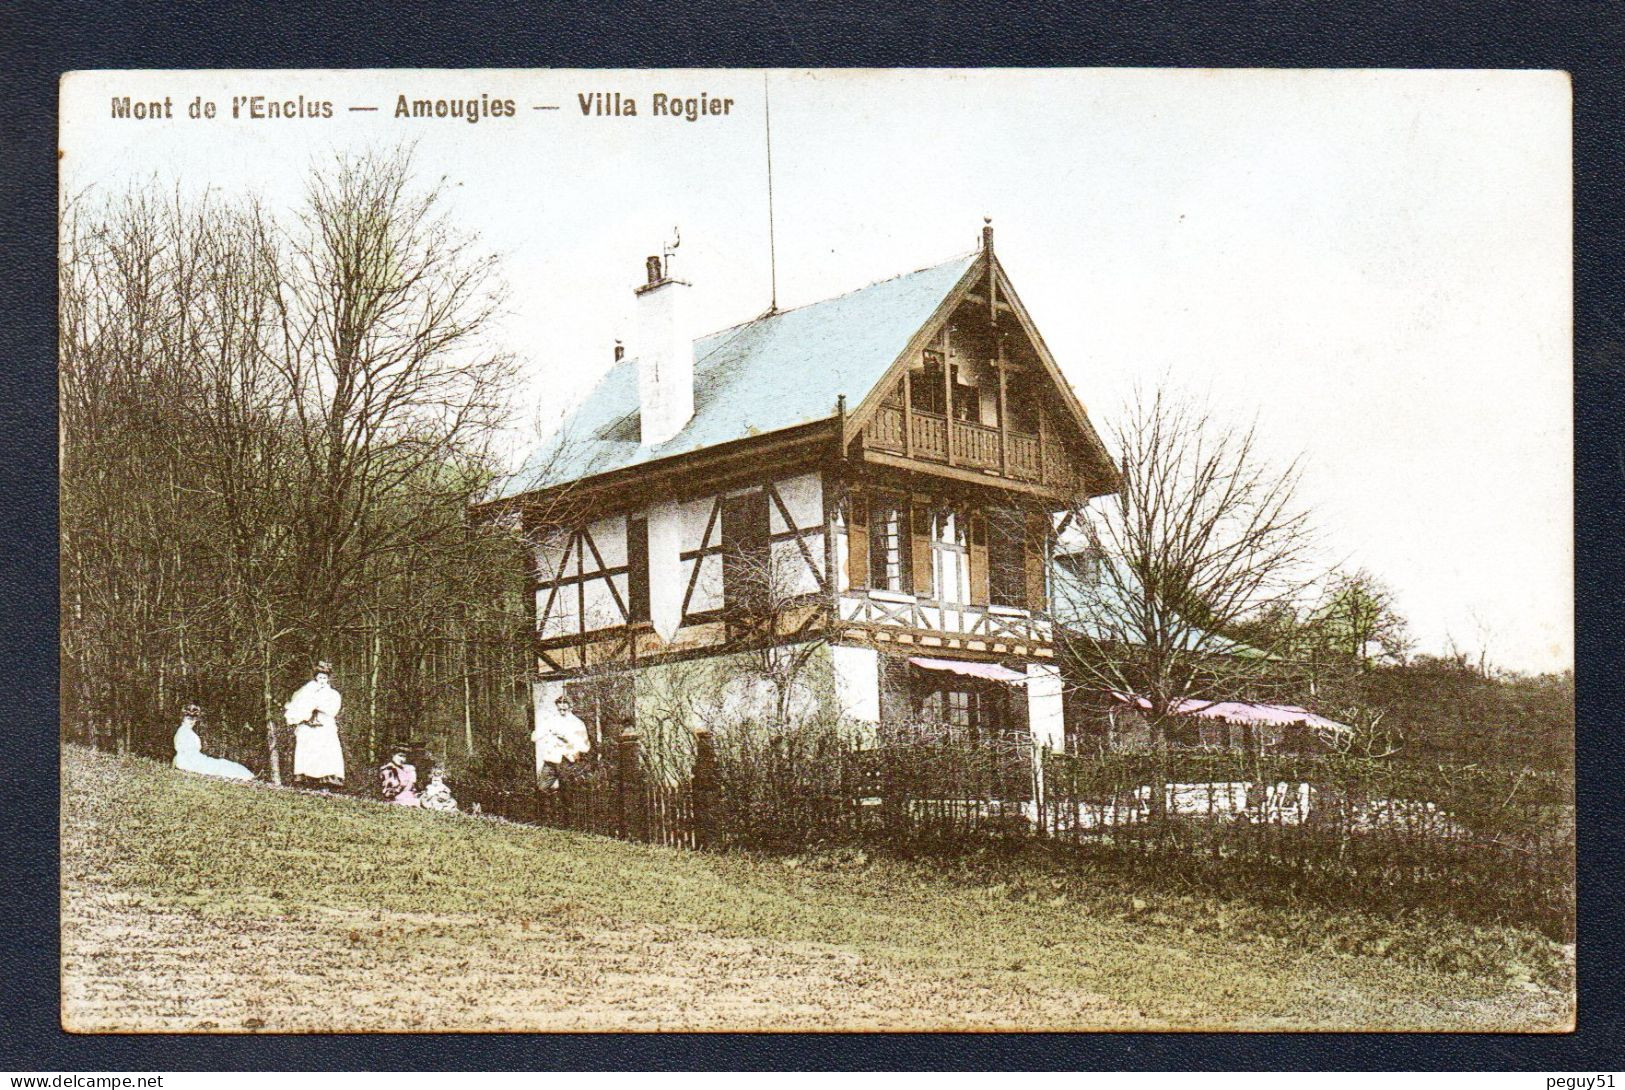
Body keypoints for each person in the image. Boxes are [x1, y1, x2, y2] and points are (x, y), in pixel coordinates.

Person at [283, 660, 345, 789]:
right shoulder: (306, 691)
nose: (322, 680)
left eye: (324, 678)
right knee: (308, 750)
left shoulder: (333, 694)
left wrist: (318, 705)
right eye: (319, 677)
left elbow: (333, 709)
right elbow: (297, 705)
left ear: (328, 679)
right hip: (308, 727)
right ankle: (306, 779)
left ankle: (325, 781)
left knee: (324, 751)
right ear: (316, 677)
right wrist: (304, 712)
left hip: (324, 726)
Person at [172, 704, 254, 781]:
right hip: (190, 762)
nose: (192, 721)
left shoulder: (188, 731)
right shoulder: (183, 732)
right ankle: (246, 776)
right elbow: (186, 753)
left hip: (193, 759)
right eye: (189, 718)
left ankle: (247, 775)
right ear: (183, 718)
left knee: (222, 763)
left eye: (194, 718)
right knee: (220, 766)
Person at [532, 690, 591, 790]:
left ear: (570, 707)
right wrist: (544, 733)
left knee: (567, 792)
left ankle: (565, 805)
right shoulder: (552, 720)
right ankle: (546, 805)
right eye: (559, 709)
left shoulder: (577, 723)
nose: (562, 712)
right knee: (541, 789)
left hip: (567, 762)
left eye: (564, 709)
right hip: (551, 761)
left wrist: (568, 740)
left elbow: (585, 746)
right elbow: (534, 736)